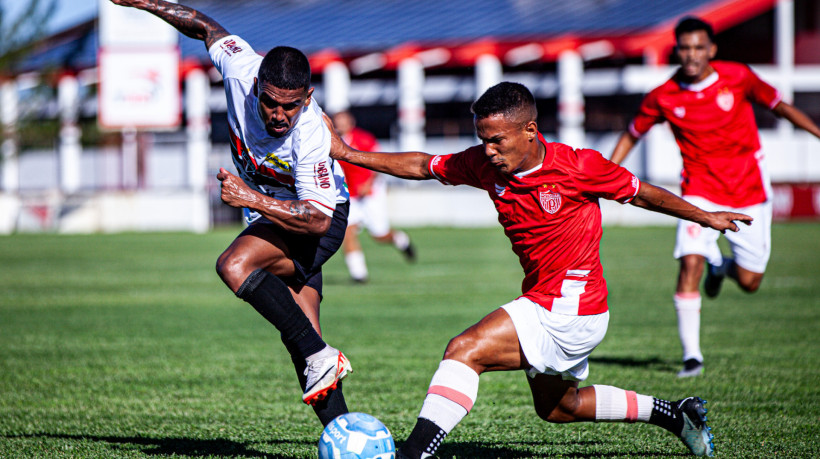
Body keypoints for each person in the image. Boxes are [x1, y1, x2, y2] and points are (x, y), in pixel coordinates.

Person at [328, 82, 750, 457]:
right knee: (560, 409)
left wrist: (704, 216)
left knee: (464, 349)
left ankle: (414, 454)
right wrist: (347, 153)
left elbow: (643, 194)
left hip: (570, 303)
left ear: (530, 130)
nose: (489, 152)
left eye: (496, 141)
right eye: (483, 141)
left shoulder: (579, 166)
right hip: (553, 301)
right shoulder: (483, 163)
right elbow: (423, 165)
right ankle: (677, 416)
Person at [110, 0, 352, 425]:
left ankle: (318, 355)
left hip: (316, 221)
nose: (279, 115)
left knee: (234, 265)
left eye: (291, 106)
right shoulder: (240, 66)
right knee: (307, 346)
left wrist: (251, 199)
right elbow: (203, 25)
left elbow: (319, 220)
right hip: (276, 217)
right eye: (271, 102)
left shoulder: (311, 131)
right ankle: (346, 435)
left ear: (308, 97)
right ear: (256, 82)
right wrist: (142, 3)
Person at [610, 16, 820, 378]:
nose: (691, 55)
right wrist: (607, 176)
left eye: (698, 47)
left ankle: (720, 268)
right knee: (688, 263)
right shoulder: (663, 96)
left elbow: (780, 106)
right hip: (699, 193)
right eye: (685, 48)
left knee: (751, 282)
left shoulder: (738, 77)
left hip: (749, 192)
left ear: (711, 49)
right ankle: (692, 358)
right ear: (676, 50)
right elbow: (632, 134)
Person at [332, 110, 416, 283]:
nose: (340, 124)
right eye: (337, 121)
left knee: (379, 235)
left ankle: (400, 240)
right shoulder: (331, 141)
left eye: (343, 120)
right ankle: (359, 275)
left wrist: (368, 184)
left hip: (370, 193)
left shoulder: (364, 138)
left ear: (351, 121)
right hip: (349, 195)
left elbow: (380, 163)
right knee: (347, 232)